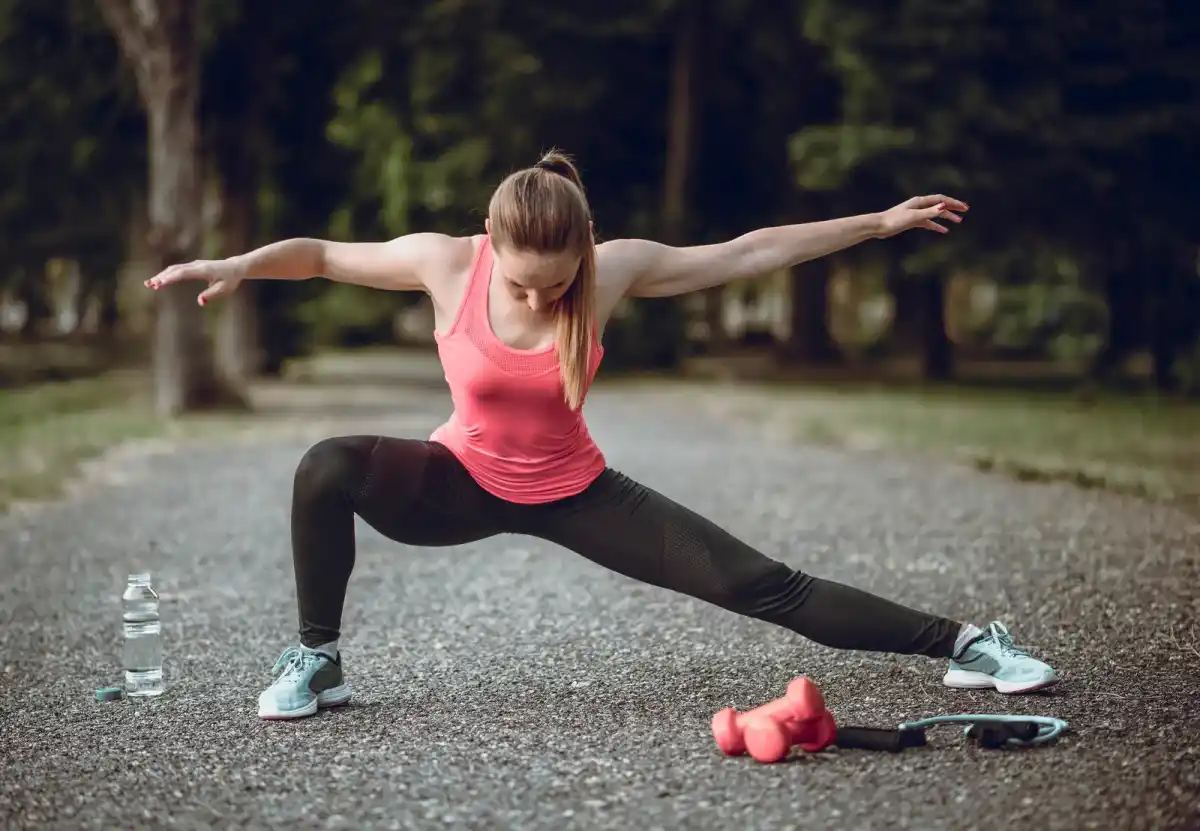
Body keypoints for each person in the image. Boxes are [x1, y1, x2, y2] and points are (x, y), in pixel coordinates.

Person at [146, 150, 1058, 720]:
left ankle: (968, 645)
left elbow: (747, 250)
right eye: (524, 285)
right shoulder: (447, 261)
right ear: (492, 245)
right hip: (458, 480)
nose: (543, 300)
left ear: (585, 249)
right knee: (326, 466)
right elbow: (324, 254)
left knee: (763, 584)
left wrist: (878, 222)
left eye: (559, 283)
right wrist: (240, 262)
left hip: (579, 494)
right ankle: (319, 659)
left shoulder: (611, 271)